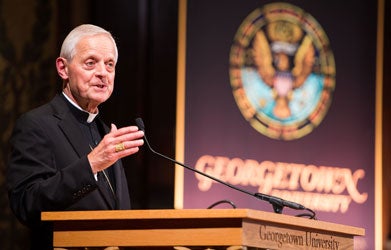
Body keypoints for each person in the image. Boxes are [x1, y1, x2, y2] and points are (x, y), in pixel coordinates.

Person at [6, 24, 144, 250]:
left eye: (109, 64)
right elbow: (26, 203)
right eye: (91, 62)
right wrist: (91, 165)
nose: (103, 72)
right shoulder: (36, 125)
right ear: (63, 68)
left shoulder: (105, 132)